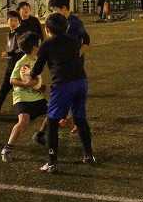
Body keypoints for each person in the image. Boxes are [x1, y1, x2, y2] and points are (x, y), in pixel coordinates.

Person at [30, 12, 95, 173]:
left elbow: (37, 69)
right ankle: (89, 155)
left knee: (52, 122)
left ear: (47, 29)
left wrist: (30, 75)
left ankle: (52, 163)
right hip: (81, 81)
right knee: (80, 118)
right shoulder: (74, 40)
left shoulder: (47, 44)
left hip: (63, 85)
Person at [0, 32, 48, 162]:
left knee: (53, 113)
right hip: (22, 97)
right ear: (34, 47)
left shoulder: (36, 58)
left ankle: (40, 134)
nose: (41, 44)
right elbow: (12, 80)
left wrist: (39, 86)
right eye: (39, 43)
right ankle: (7, 149)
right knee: (23, 121)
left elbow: (35, 80)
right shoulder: (22, 62)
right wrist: (26, 84)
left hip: (36, 96)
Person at [0, 11, 26, 115]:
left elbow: (20, 49)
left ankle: (28, 111)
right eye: (11, 20)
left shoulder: (19, 33)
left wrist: (9, 53)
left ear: (19, 22)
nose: (13, 22)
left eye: (16, 20)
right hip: (11, 64)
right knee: (4, 87)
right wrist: (8, 54)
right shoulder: (10, 33)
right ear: (7, 21)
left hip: (18, 65)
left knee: (20, 89)